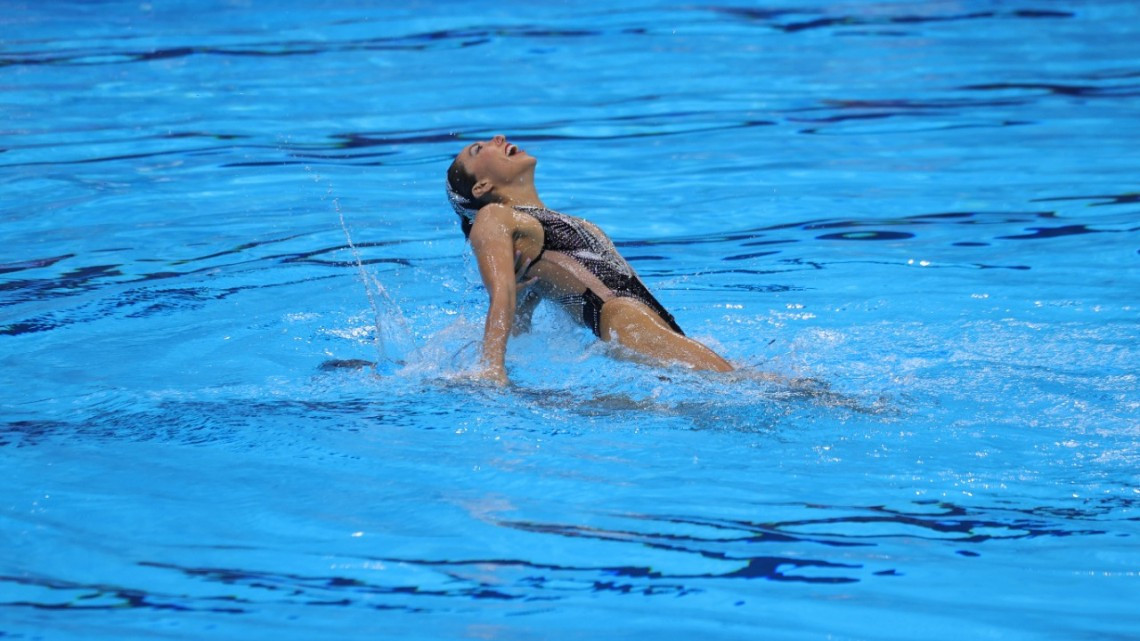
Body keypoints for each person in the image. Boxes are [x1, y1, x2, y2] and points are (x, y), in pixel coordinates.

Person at [446, 134, 733, 385]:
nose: (497, 137)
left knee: (735, 385)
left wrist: (527, 292)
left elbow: (521, 323)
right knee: (748, 385)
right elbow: (501, 295)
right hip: (625, 321)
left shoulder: (558, 221)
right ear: (481, 186)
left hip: (646, 323)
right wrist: (491, 367)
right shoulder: (493, 217)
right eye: (477, 149)